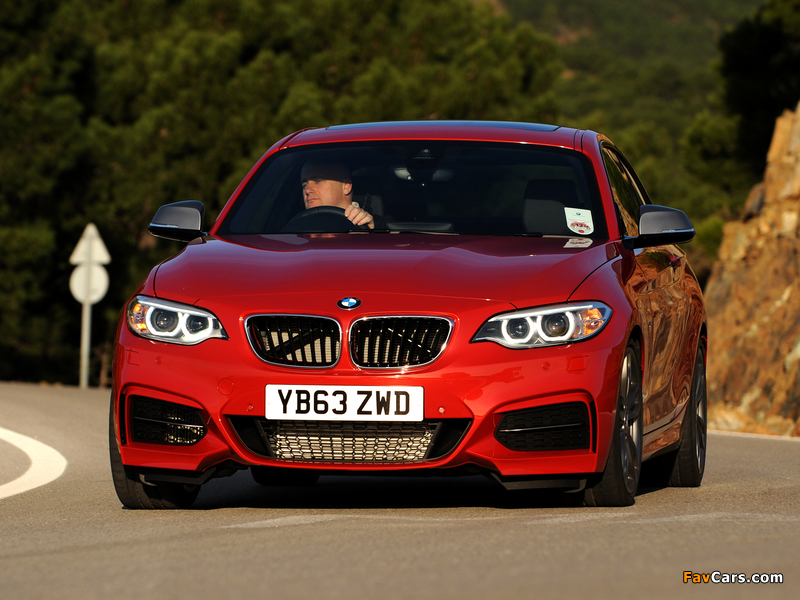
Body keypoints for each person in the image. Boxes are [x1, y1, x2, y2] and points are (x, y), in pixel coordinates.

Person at [300, 162, 375, 229]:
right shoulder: (299, 226)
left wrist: (370, 233)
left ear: (346, 186)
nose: (307, 190)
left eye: (318, 181)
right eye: (305, 185)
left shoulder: (377, 224)